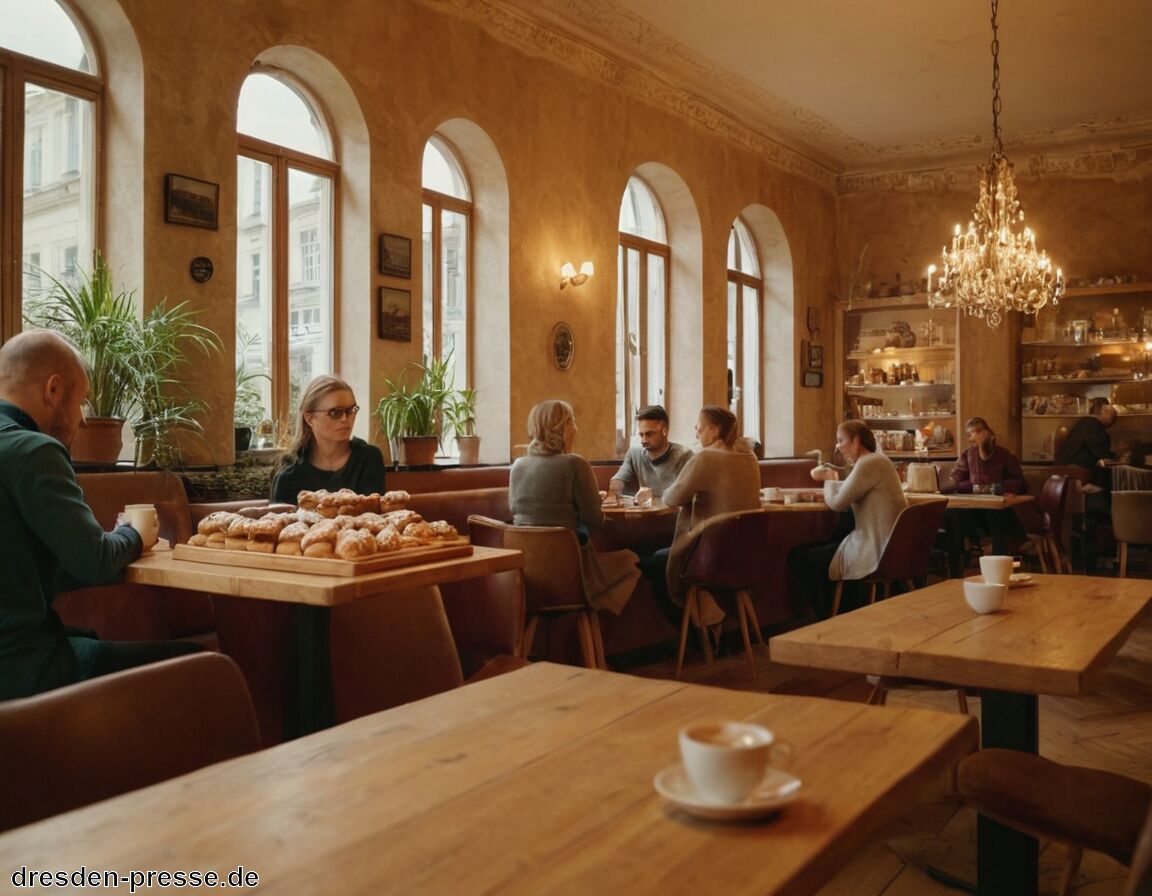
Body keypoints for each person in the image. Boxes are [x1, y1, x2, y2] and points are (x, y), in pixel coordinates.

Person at [0, 330, 200, 700]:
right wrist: (136, 535)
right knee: (201, 665)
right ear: (53, 391)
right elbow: (95, 562)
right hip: (26, 672)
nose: (83, 420)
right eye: (81, 403)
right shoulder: (33, 452)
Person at [509, 400, 640, 615]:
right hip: (569, 571)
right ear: (562, 428)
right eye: (573, 422)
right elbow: (594, 521)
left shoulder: (518, 466)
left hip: (527, 573)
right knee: (631, 560)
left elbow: (516, 510)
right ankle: (591, 632)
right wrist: (593, 501)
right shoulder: (575, 464)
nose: (576, 428)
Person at [787, 420, 907, 618]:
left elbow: (837, 504)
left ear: (856, 441)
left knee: (799, 558)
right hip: (892, 547)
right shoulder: (878, 461)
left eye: (841, 440)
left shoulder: (869, 462)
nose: (837, 445)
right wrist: (834, 479)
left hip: (877, 550)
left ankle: (825, 620)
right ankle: (840, 612)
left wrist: (828, 478)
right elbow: (851, 487)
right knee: (828, 543)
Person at [660, 406, 760, 625]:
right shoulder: (749, 457)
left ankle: (695, 640)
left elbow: (672, 498)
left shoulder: (706, 458)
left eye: (699, 428)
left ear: (714, 431)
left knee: (654, 562)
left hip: (711, 556)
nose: (696, 434)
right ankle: (713, 633)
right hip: (745, 555)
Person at [271, 375, 386, 503]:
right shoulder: (289, 474)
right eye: (335, 413)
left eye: (351, 410)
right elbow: (278, 521)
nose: (345, 419)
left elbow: (372, 516)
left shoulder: (369, 459)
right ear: (309, 418)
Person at [942, 416, 1028, 577]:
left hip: (997, 511)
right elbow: (956, 480)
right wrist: (973, 487)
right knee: (952, 514)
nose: (972, 438)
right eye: (970, 434)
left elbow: (1019, 482)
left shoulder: (1003, 455)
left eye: (977, 433)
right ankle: (955, 572)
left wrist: (997, 488)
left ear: (987, 433)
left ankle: (999, 567)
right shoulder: (968, 455)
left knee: (993, 513)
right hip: (974, 511)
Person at [1056, 397, 1119, 572]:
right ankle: (1092, 563)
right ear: (1104, 410)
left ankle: (1087, 562)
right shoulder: (1091, 424)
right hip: (1078, 481)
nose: (1114, 419)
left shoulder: (1084, 425)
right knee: (1096, 513)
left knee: (1088, 519)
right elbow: (1103, 453)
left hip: (1071, 481)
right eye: (1112, 414)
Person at [609, 405, 692, 498]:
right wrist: (615, 490)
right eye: (641, 435)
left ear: (664, 431)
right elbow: (619, 478)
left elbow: (686, 496)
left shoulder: (684, 456)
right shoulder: (634, 454)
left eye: (649, 434)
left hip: (674, 510)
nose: (643, 440)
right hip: (646, 510)